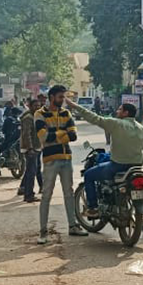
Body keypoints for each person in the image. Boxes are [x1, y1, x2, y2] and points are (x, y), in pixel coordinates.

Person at [68, 98, 143, 221]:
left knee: (88, 175)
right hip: (135, 167)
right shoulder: (142, 129)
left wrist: (74, 105)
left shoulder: (116, 124)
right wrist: (141, 161)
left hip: (117, 166)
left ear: (125, 113)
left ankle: (93, 208)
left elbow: (94, 117)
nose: (117, 111)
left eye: (119, 109)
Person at [35, 85, 87, 244]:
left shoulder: (66, 113)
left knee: (69, 194)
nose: (63, 100)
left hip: (66, 158)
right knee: (46, 195)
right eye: (60, 97)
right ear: (51, 97)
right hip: (50, 160)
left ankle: (73, 226)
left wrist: (56, 135)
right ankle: (43, 232)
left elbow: (73, 136)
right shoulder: (40, 114)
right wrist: (63, 134)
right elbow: (43, 137)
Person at [18, 97, 43, 202]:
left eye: (38, 106)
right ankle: (29, 195)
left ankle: (26, 192)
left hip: (36, 147)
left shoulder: (36, 116)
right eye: (35, 106)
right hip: (31, 149)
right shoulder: (28, 118)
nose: (37, 107)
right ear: (30, 106)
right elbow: (27, 135)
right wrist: (30, 148)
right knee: (31, 173)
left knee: (32, 171)